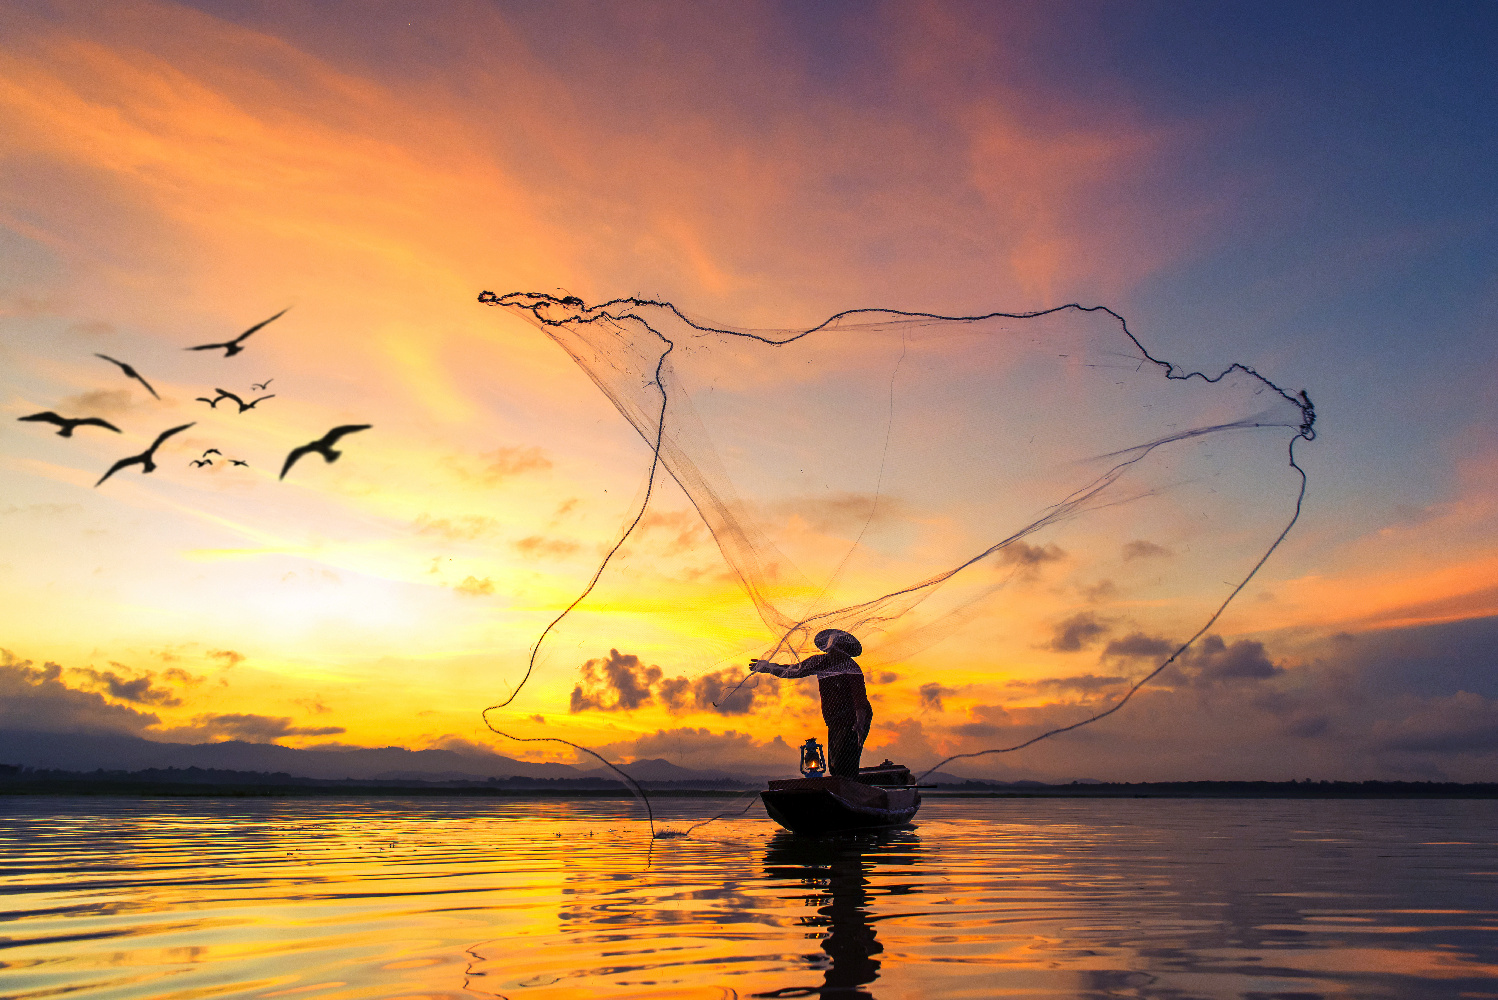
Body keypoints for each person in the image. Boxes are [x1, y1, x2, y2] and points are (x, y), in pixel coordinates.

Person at [751, 629, 872, 778]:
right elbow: (794, 670)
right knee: (835, 765)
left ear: (845, 650)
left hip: (854, 720)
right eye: (831, 646)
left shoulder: (851, 667)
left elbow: (859, 699)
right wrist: (769, 667)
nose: (833, 649)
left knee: (845, 764)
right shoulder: (820, 662)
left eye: (837, 647)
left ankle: (852, 794)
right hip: (835, 721)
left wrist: (860, 722)